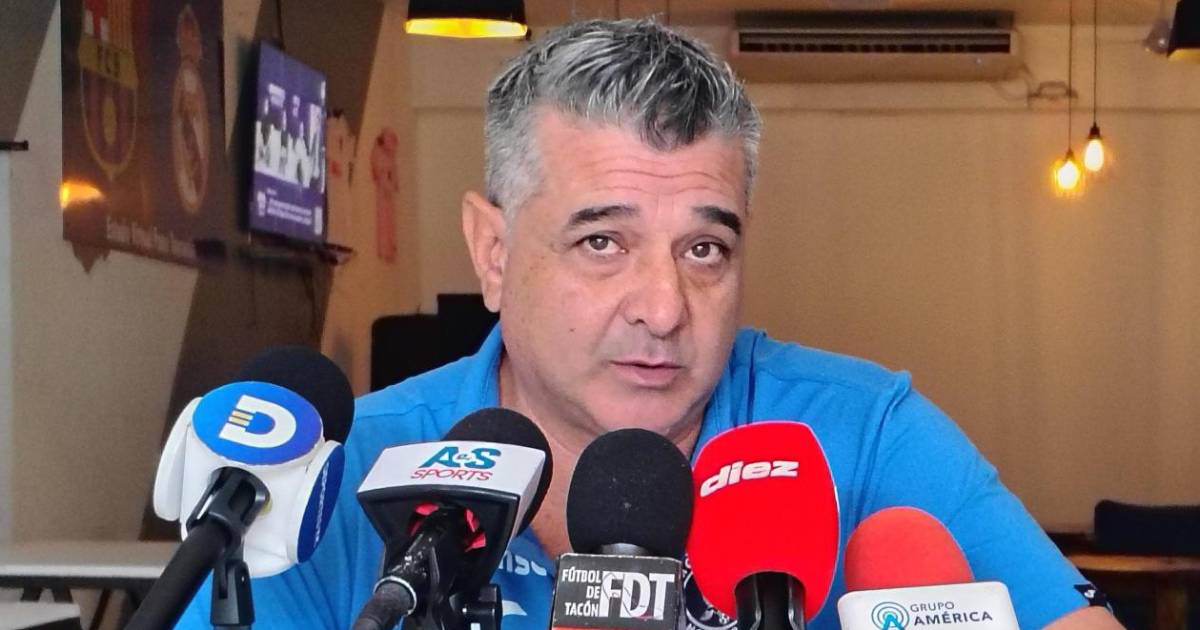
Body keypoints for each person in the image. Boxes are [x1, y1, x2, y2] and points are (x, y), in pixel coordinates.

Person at [178, 19, 1122, 629]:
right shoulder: (339, 476)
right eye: (602, 242)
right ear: (493, 251)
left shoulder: (868, 435)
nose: (665, 308)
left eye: (704, 249)